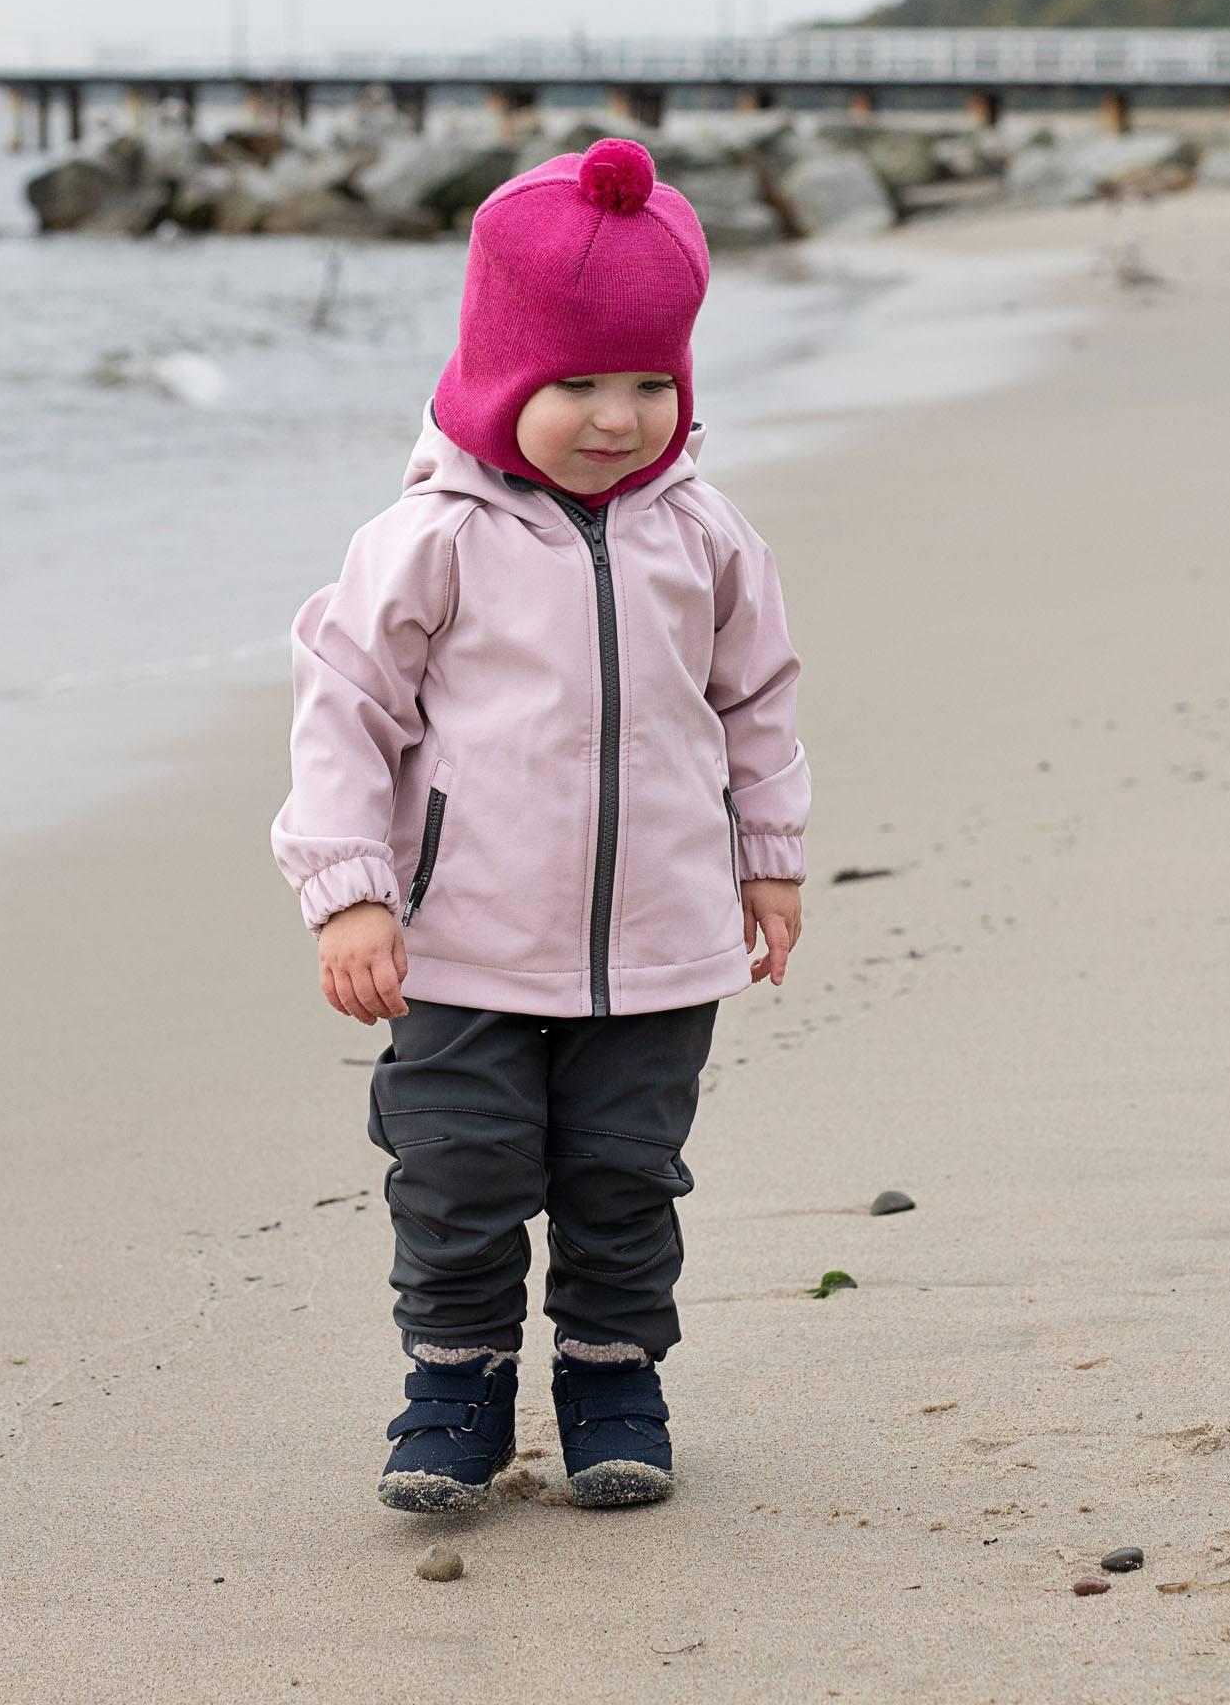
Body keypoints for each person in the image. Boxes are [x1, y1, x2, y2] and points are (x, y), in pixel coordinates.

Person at [270, 135, 809, 1513]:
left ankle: (613, 1376)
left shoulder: (704, 534)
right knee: (459, 1173)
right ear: (507, 371)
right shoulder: (430, 538)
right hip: (458, 944)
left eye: (648, 384)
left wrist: (769, 857)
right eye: (576, 383)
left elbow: (757, 698)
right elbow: (346, 707)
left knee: (626, 1174)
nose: (616, 417)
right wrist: (350, 890)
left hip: (659, 939)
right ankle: (452, 1384)